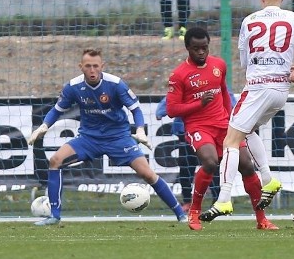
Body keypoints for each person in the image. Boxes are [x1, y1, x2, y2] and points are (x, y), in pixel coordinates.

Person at [200, 0, 294, 222]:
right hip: (281, 90)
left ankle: (223, 199)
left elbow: (244, 63)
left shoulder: (249, 20)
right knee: (250, 131)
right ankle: (268, 179)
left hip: (257, 88)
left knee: (230, 142)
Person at [27, 48, 187, 226]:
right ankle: (54, 216)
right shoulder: (73, 86)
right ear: (81, 67)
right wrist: (43, 126)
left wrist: (140, 130)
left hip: (118, 138)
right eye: (88, 66)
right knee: (55, 160)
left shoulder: (116, 84)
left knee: (147, 174)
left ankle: (180, 214)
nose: (92, 70)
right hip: (88, 139)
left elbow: (135, 108)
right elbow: (57, 110)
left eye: (96, 66)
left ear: (102, 66)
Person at [166, 27, 279, 231]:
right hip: (198, 127)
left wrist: (231, 119)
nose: (201, 52)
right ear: (187, 49)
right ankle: (194, 213)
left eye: (204, 48)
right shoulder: (179, 75)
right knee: (210, 162)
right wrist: (198, 104)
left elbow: (224, 93)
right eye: (196, 49)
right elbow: (172, 109)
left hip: (224, 125)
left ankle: (261, 219)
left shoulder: (219, 65)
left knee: (246, 165)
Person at [154, 97, 200, 211]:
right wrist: (161, 111)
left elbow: (229, 100)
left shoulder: (214, 85)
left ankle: (217, 199)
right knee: (186, 167)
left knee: (212, 166)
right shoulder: (182, 87)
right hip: (185, 132)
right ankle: (187, 201)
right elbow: (168, 101)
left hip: (208, 130)